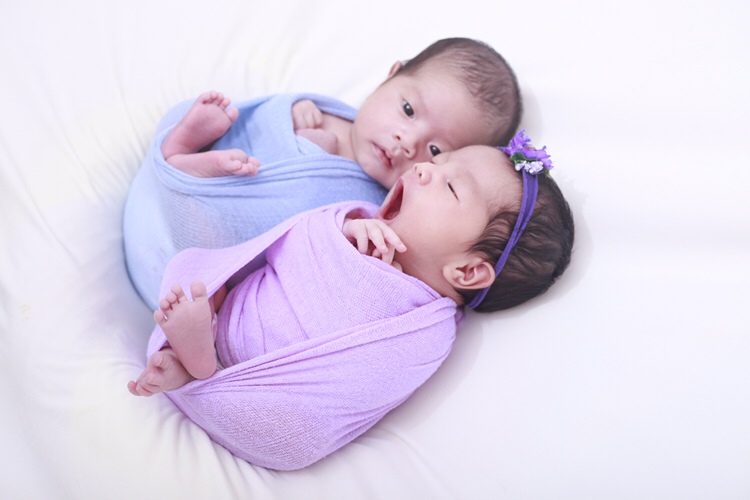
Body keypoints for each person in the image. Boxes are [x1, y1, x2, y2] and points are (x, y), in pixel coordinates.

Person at [127, 129, 574, 471]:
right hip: (234, 314)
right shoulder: (357, 220)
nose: (424, 168)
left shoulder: (426, 331)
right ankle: (196, 354)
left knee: (289, 428)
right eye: (439, 159)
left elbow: (363, 381)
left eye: (452, 188)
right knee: (208, 282)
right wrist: (341, 231)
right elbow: (293, 242)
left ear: (467, 272)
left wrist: (370, 272)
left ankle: (201, 368)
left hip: (277, 389)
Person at [123, 38, 523, 310]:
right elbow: (262, 121)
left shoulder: (384, 207)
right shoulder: (322, 110)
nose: (407, 142)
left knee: (238, 288)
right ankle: (186, 157)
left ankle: (186, 163)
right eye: (407, 110)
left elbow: (315, 257)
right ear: (391, 75)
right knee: (224, 132)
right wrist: (291, 118)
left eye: (435, 150)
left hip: (188, 283)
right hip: (167, 212)